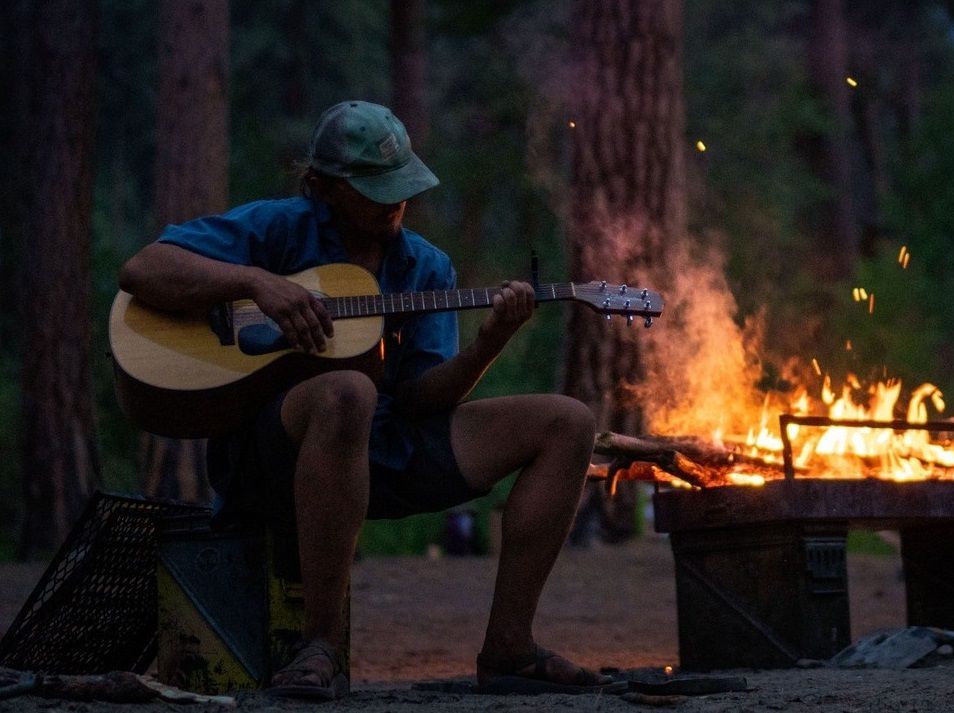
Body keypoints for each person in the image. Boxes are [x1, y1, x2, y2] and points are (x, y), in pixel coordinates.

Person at [119, 100, 611, 699]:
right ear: (323, 187)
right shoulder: (277, 228)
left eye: (400, 187)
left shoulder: (426, 265)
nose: (394, 203)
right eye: (375, 190)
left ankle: (509, 647)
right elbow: (144, 268)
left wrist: (490, 342)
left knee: (568, 422)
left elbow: (422, 400)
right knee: (348, 391)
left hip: (386, 449)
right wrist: (254, 283)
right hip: (270, 457)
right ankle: (320, 644)